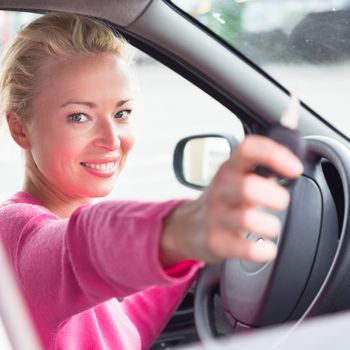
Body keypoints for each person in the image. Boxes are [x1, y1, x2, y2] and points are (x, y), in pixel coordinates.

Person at [0, 13, 303, 350]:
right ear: (20, 128)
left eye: (121, 113)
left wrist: (194, 250)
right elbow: (84, 244)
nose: (112, 139)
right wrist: (187, 225)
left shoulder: (59, 241)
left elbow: (125, 333)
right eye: (78, 116)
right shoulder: (15, 235)